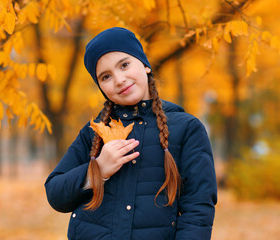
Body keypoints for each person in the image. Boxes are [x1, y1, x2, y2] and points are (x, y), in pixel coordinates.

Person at [45, 27, 217, 240]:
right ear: (101, 86)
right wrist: (98, 169)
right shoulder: (95, 131)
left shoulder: (187, 129)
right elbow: (55, 194)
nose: (119, 79)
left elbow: (198, 210)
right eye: (106, 76)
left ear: (145, 65)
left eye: (124, 65)